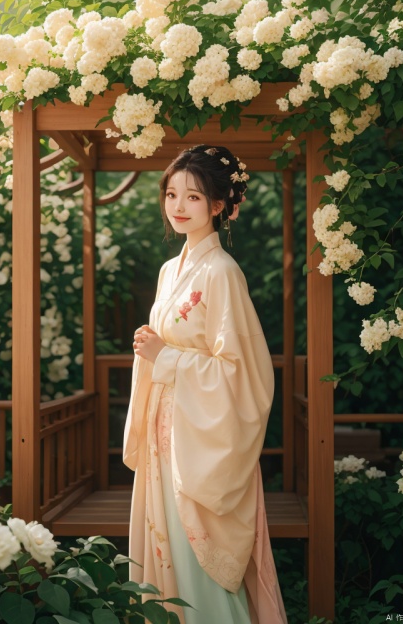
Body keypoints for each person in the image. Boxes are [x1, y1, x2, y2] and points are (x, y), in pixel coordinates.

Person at [123, 144, 288, 624]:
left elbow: (243, 371)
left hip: (200, 438)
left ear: (219, 205)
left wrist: (165, 356)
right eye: (171, 194)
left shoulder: (222, 272)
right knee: (166, 543)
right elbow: (170, 346)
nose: (177, 206)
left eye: (192, 197)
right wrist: (150, 347)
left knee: (193, 553)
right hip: (165, 431)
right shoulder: (169, 271)